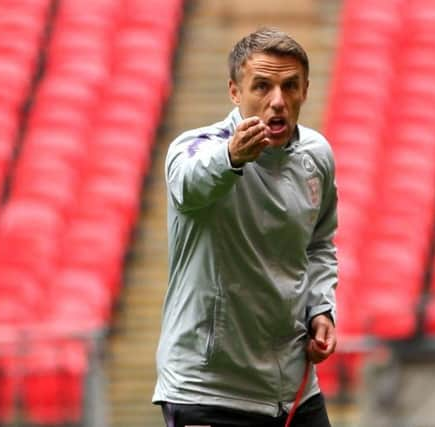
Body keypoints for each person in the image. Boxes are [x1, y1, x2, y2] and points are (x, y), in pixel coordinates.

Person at [153, 27, 339, 427]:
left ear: (305, 91)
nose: (277, 102)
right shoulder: (195, 147)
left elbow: (319, 243)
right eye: (262, 87)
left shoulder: (316, 156)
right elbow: (188, 185)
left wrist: (321, 308)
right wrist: (231, 158)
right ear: (235, 92)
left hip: (292, 389)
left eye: (291, 87)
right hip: (210, 389)